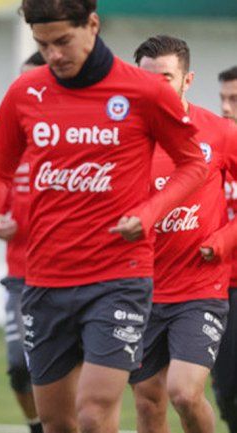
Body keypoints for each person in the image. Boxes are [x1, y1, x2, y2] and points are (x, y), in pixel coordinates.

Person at [0, 1, 208, 432]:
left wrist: (148, 214)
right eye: (43, 44)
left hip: (118, 278)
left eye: (63, 41)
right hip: (45, 279)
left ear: (92, 25)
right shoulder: (25, 92)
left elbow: (193, 164)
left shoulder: (143, 91)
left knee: (94, 412)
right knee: (57, 422)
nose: (53, 54)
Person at [130, 34, 237, 433]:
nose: (156, 88)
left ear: (187, 80)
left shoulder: (219, 132)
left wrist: (223, 241)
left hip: (199, 289)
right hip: (139, 288)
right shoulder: (122, 136)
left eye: (166, 78)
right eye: (146, 79)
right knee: (147, 399)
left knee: (184, 393)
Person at [0, 50, 45, 433]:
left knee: (63, 371)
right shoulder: (14, 143)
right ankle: (37, 426)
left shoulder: (82, 142)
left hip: (68, 278)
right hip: (21, 277)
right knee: (18, 366)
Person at [214, 65, 237, 433]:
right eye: (222, 99)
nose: (226, 107)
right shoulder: (212, 152)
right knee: (226, 390)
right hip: (220, 286)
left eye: (234, 99)